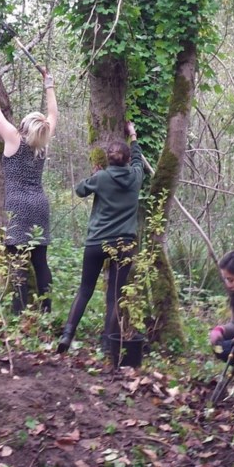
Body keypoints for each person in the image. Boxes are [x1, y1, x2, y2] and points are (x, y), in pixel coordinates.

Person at [57, 121, 145, 354]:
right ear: (126, 160)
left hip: (97, 242)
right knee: (114, 295)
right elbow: (138, 159)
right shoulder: (136, 176)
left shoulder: (102, 177)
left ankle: (67, 334)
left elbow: (79, 190)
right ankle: (108, 344)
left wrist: (94, 176)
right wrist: (133, 135)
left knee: (85, 289)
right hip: (125, 244)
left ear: (107, 160)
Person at [0, 64, 59, 313]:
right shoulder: (42, 145)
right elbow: (54, 115)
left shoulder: (14, 139)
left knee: (18, 264)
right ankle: (46, 313)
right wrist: (49, 83)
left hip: (18, 205)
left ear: (24, 125)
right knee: (40, 263)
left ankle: (18, 314)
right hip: (39, 205)